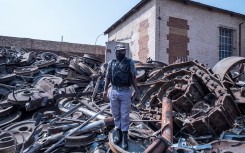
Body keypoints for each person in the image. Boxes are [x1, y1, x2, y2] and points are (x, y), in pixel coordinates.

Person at [103, 44, 139, 150]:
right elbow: (108, 77)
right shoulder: (111, 63)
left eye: (124, 51)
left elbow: (133, 77)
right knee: (115, 114)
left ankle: (124, 137)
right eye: (120, 51)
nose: (122, 53)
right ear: (116, 52)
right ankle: (118, 132)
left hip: (125, 91)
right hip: (113, 91)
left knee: (125, 115)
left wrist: (136, 89)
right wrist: (105, 90)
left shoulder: (129, 62)